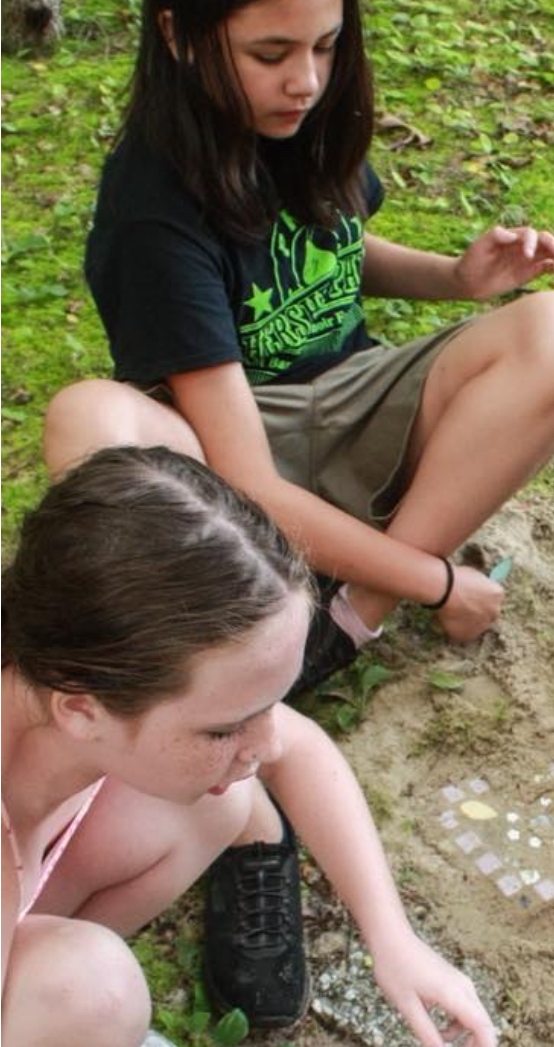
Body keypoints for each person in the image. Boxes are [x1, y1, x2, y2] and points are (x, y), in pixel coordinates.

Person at [38, 0, 554, 1024]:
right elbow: (241, 477)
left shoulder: (304, 120)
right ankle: (289, 640)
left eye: (328, 46)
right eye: (271, 51)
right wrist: (440, 580)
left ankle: (339, 628)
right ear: (182, 39)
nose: (305, 78)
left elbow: (336, 248)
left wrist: (454, 280)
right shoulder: (153, 199)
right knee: (90, 422)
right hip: (223, 453)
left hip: (345, 402)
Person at [1, 446, 498, 1047]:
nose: (264, 744)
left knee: (224, 802)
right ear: (81, 709)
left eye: (270, 704)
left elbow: (300, 747)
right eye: (223, 727)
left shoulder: (51, 676)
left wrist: (393, 938)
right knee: (94, 990)